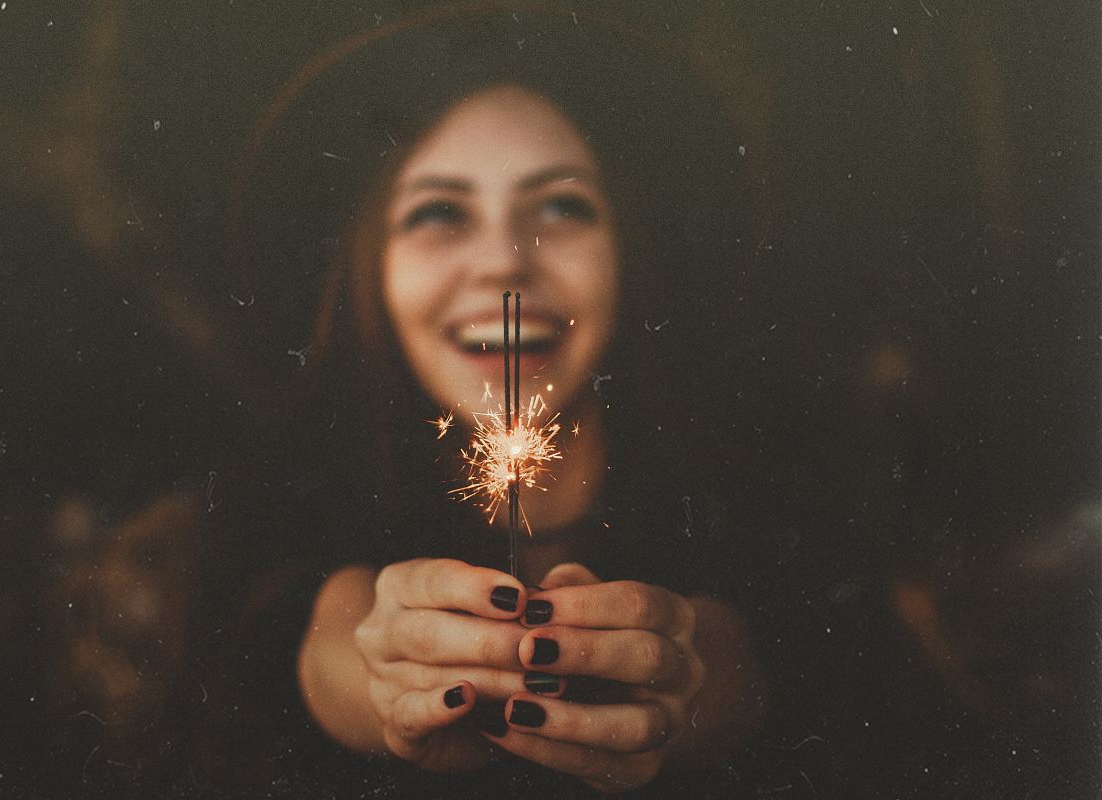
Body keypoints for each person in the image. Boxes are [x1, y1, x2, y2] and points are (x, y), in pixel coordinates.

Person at [221, 8, 823, 798]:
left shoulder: (767, 505)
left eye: (563, 207)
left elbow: (749, 663)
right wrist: (379, 677)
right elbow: (330, 640)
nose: (505, 263)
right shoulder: (280, 513)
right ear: (367, 265)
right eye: (439, 213)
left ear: (632, 249)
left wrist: (693, 681)